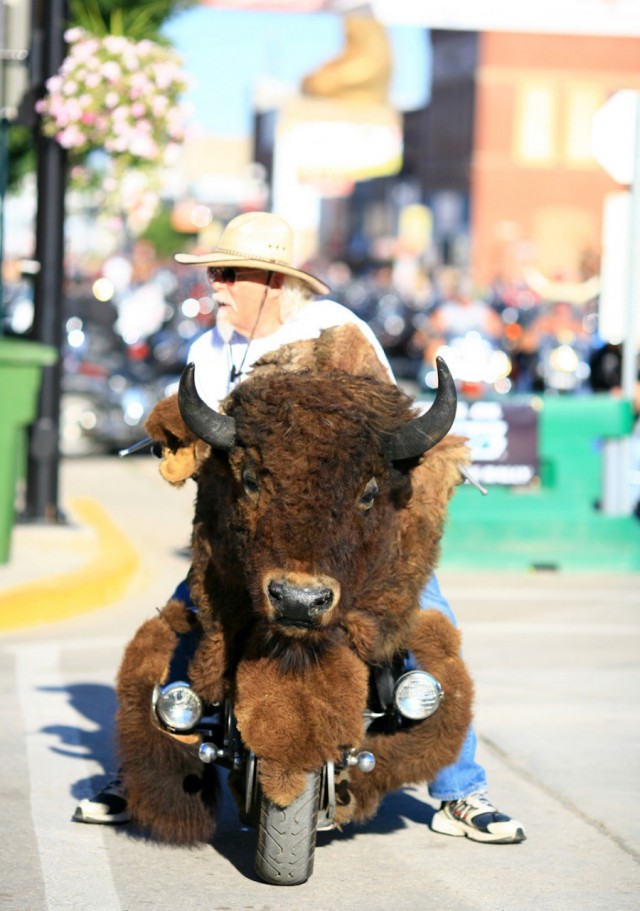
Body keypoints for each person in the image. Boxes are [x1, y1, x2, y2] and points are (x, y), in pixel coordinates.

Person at [74, 212, 525, 845]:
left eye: (228, 274)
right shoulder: (211, 349)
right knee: (183, 620)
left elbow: (386, 436)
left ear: (271, 281)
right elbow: (205, 438)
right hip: (249, 536)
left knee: (426, 619)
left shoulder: (339, 336)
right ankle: (141, 773)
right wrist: (178, 440)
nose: (216, 286)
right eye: (215, 273)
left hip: (345, 531)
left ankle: (461, 790)